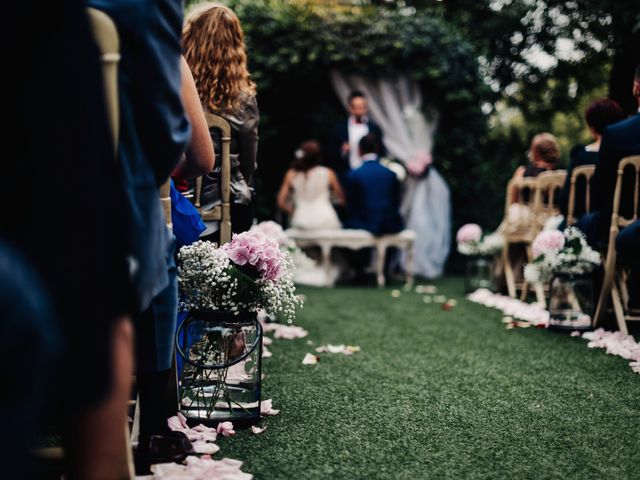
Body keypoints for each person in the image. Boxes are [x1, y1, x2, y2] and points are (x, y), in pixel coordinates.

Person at [183, 3, 259, 234]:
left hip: (181, 202)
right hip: (230, 207)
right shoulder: (243, 99)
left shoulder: (176, 89)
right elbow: (248, 162)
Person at [578, 66, 640, 248]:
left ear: (636, 87)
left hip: (623, 221)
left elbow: (600, 190)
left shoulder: (616, 133)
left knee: (581, 226)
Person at [558, 99, 625, 222]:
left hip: (585, 224)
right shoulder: (625, 156)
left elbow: (565, 201)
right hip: (620, 221)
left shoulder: (580, 156)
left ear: (592, 127)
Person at [277, 140, 344, 230]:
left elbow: (280, 201)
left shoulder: (291, 174)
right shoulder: (328, 173)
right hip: (326, 219)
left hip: (301, 220)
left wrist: (293, 212)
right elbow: (341, 198)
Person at [345, 133, 404, 235]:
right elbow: (396, 202)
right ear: (377, 149)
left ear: (360, 150)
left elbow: (351, 206)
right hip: (389, 224)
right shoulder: (391, 174)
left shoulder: (353, 175)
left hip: (364, 224)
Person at [329, 90, 383, 181]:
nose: (360, 110)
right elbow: (331, 153)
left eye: (363, 107)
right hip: (348, 173)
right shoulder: (340, 128)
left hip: (370, 175)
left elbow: (381, 151)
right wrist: (343, 151)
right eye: (357, 107)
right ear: (350, 108)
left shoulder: (374, 128)